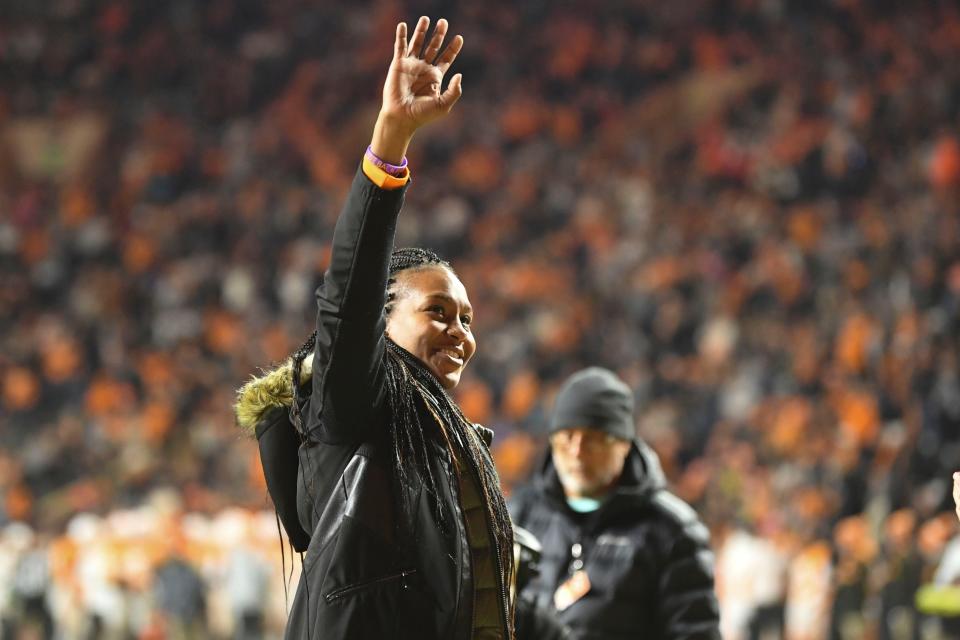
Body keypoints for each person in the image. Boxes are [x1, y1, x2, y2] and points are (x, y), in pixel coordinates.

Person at [234, 17, 515, 639]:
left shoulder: (441, 439)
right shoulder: (356, 405)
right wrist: (391, 140)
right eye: (437, 311)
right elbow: (347, 298)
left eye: (467, 319)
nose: (460, 333)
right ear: (382, 326)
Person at [509, 367, 720, 639]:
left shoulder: (672, 530)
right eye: (567, 436)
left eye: (593, 438)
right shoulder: (520, 515)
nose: (577, 451)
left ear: (623, 444)